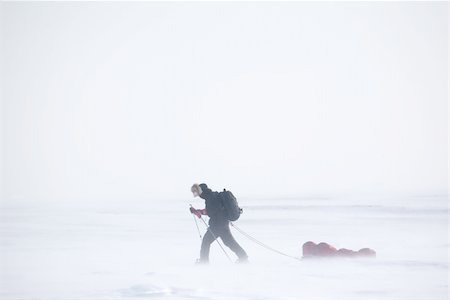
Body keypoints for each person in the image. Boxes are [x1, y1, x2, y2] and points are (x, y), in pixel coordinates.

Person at [190, 183, 248, 264]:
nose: (197, 195)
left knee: (206, 242)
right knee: (229, 242)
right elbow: (213, 210)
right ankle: (243, 257)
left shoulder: (210, 198)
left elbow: (211, 211)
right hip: (222, 223)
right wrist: (199, 212)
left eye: (196, 193)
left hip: (217, 225)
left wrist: (199, 212)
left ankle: (204, 262)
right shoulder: (212, 196)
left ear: (200, 191)